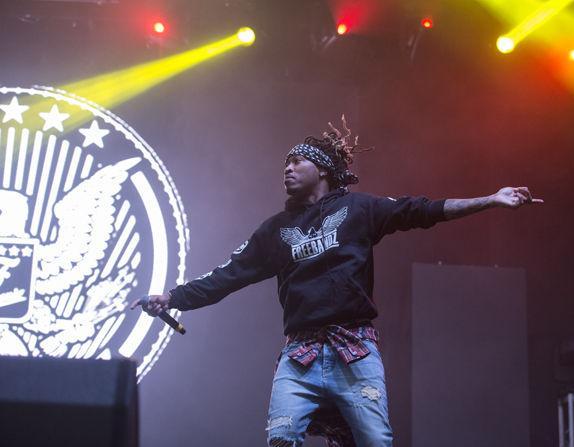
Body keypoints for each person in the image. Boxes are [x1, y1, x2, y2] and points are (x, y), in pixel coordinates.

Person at [131, 117, 543, 446]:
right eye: (284, 165)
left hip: (355, 351)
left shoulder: (359, 209)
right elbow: (228, 276)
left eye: (296, 162)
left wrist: (489, 199)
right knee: (281, 437)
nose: (287, 169)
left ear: (323, 169)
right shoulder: (275, 230)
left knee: (376, 441)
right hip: (300, 356)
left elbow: (423, 210)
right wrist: (172, 296)